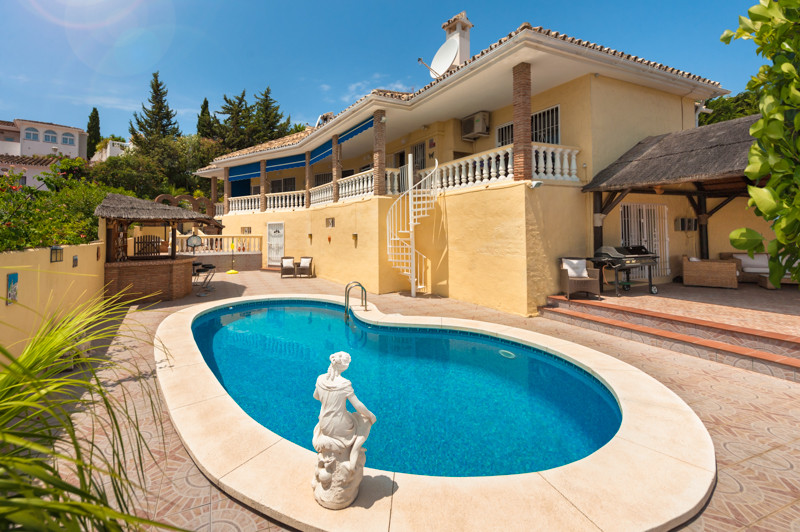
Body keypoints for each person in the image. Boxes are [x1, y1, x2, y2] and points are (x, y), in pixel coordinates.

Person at [312, 351, 376, 477]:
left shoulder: (320, 379)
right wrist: (371, 415)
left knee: (350, 416)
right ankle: (353, 456)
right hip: (340, 426)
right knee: (363, 420)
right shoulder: (344, 384)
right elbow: (358, 406)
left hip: (324, 423)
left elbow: (316, 396)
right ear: (345, 366)